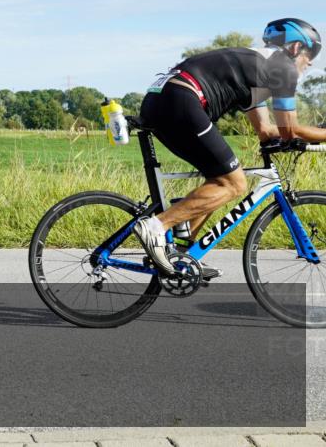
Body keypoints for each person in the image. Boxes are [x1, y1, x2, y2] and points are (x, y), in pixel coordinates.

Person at [134, 18, 325, 276]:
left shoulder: (257, 69)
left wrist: (292, 139)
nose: (310, 62)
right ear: (293, 47)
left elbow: (267, 132)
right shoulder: (283, 67)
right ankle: (157, 226)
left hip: (165, 99)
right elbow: (288, 129)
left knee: (219, 178)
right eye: (309, 53)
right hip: (181, 100)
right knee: (234, 183)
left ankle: (183, 254)